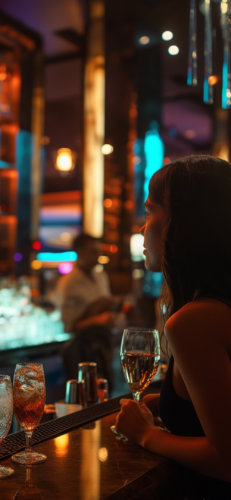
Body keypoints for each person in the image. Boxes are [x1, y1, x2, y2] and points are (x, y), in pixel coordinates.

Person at [115, 155, 231, 482]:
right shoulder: (218, 306)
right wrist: (168, 401)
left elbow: (226, 460)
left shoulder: (195, 320)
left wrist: (144, 434)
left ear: (183, 223)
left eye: (150, 212)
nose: (142, 227)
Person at [56, 233, 116, 334]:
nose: (98, 255)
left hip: (103, 340)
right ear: (80, 253)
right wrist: (99, 320)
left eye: (98, 251)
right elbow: (67, 327)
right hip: (82, 346)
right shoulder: (68, 282)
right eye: (93, 252)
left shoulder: (101, 276)